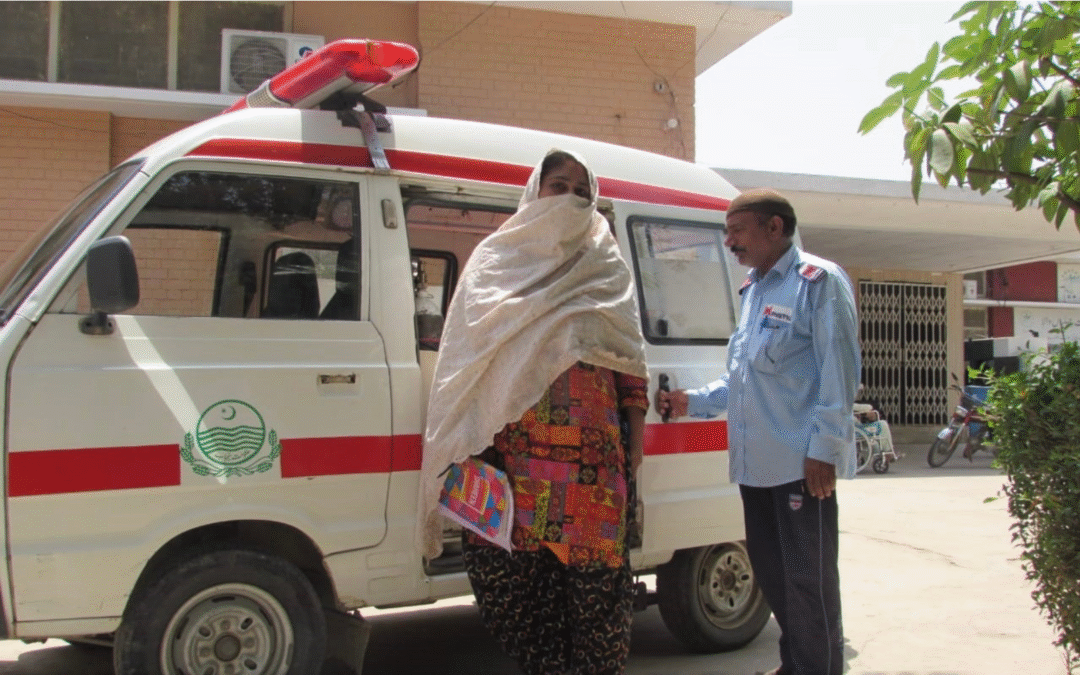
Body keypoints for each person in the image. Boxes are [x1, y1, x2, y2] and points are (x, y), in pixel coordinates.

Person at [419, 149, 649, 675]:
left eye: (581, 192)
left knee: (597, 606)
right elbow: (466, 361)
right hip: (514, 473)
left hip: (593, 476)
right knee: (516, 598)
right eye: (558, 186)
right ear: (535, 192)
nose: (569, 199)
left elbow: (629, 363)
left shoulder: (604, 264)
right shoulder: (496, 263)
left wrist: (634, 444)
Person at [656, 188, 860, 675]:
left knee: (807, 584)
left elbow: (840, 372)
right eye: (727, 233)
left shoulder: (819, 282)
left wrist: (824, 450)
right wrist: (693, 402)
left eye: (737, 231)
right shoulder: (754, 290)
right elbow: (743, 378)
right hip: (755, 466)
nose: (729, 242)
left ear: (775, 227)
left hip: (799, 467)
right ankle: (797, 665)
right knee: (773, 577)